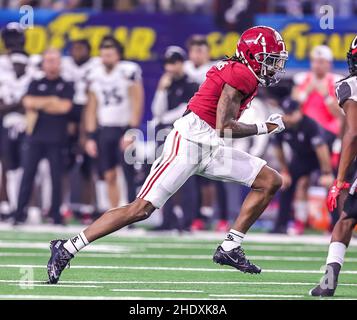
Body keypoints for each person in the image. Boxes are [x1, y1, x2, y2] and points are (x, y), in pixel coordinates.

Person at [47, 26, 288, 284]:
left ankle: (230, 247)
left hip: (209, 145)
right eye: (269, 60)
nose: (273, 68)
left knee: (269, 181)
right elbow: (225, 126)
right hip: (187, 144)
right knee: (140, 209)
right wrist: (265, 127)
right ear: (252, 55)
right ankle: (67, 248)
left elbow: (218, 128)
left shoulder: (240, 70)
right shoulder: (241, 74)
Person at [310, 36, 357, 297]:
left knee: (347, 218)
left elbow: (353, 134)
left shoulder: (349, 85)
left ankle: (329, 282)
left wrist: (339, 181)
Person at [13, 49, 74, 225]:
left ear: (60, 63)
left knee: (56, 178)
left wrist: (41, 103)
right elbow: (27, 102)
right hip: (35, 136)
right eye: (48, 60)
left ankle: (55, 214)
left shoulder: (66, 84)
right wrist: (52, 101)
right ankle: (19, 214)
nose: (51, 64)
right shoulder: (35, 82)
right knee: (27, 175)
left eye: (54, 60)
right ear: (43, 63)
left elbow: (64, 107)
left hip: (57, 138)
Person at [84, 36, 144, 209]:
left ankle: (131, 214)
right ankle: (114, 212)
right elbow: (91, 107)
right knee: (108, 174)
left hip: (124, 128)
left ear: (118, 55)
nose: (106, 58)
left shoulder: (128, 71)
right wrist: (90, 135)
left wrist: (131, 131)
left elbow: (137, 101)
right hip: (104, 129)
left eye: (110, 55)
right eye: (104, 55)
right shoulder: (94, 73)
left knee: (128, 175)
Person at [151, 46, 199, 231]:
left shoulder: (192, 84)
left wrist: (162, 119)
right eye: (168, 63)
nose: (170, 67)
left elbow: (185, 110)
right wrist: (162, 90)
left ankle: (187, 221)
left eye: (174, 62)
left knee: (186, 178)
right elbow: (157, 110)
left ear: (182, 63)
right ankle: (167, 219)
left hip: (184, 134)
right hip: (164, 134)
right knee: (163, 176)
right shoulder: (166, 83)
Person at [271, 98, 334, 234]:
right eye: (285, 113)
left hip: (323, 157)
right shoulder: (281, 125)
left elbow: (321, 149)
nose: (287, 117)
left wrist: (326, 173)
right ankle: (281, 226)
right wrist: (284, 170)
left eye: (291, 113)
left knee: (332, 187)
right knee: (285, 184)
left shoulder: (310, 124)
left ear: (299, 112)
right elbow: (278, 148)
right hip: (301, 158)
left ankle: (335, 225)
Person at [61, 39, 101, 220]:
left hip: (90, 116)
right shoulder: (65, 65)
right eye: (74, 48)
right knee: (63, 165)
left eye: (81, 48)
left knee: (88, 167)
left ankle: (88, 206)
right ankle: (63, 205)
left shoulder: (96, 66)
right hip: (68, 117)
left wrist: (86, 129)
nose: (77, 52)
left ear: (88, 50)